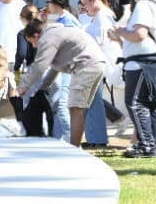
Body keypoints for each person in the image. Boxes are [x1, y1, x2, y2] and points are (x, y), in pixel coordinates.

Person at [20, 17, 107, 149]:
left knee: (75, 108)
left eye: (32, 42)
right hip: (95, 63)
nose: (33, 46)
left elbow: (39, 66)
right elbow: (54, 69)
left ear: (36, 35)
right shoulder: (58, 33)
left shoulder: (48, 37)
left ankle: (74, 148)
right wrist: (42, 88)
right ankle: (76, 145)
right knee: (79, 107)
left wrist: (22, 87)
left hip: (85, 65)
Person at [115, 0, 156, 157]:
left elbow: (140, 35)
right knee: (153, 104)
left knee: (136, 102)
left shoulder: (144, 5)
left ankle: (147, 144)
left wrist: (121, 32)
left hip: (142, 63)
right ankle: (153, 144)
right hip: (154, 61)